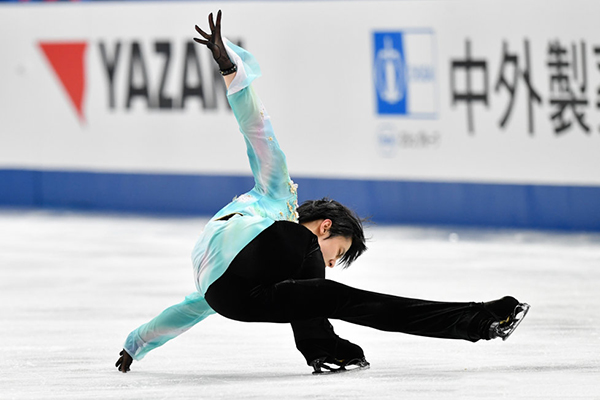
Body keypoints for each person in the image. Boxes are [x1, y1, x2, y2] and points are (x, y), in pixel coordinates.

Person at [116, 11, 530, 375]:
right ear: (325, 225)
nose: (329, 263)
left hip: (231, 298)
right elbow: (256, 129)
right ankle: (320, 346)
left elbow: (190, 308)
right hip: (244, 255)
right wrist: (231, 71)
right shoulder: (277, 197)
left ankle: (481, 321)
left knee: (346, 300)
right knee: (310, 267)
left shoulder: (287, 267)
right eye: (336, 253)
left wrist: (137, 343)